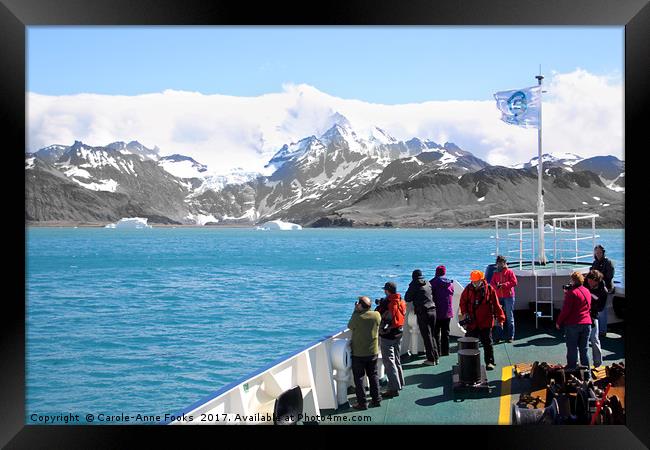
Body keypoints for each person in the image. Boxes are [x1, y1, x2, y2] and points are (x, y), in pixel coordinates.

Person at [459, 270, 505, 370]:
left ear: (482, 279)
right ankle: (468, 362)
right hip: (472, 322)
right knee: (469, 343)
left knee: (487, 343)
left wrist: (501, 319)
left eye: (476, 281)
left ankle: (489, 362)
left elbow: (496, 305)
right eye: (473, 281)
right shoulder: (468, 289)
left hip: (486, 322)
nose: (474, 283)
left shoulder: (490, 289)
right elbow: (463, 302)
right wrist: (465, 313)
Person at [348, 296, 382, 410]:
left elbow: (350, 326)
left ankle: (362, 403)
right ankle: (376, 399)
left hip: (359, 353)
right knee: (373, 375)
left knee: (359, 378)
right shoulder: (376, 315)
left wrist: (355, 310)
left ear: (360, 306)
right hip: (373, 352)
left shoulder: (357, 317)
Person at [375, 282, 406, 398]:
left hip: (388, 335)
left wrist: (379, 305)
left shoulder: (386, 302)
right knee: (396, 359)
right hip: (399, 332)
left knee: (389, 362)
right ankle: (400, 382)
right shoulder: (400, 300)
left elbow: (377, 313)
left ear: (387, 291)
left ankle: (394, 388)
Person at [556, 272, 592, 370]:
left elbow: (565, 310)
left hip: (573, 324)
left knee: (572, 349)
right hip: (587, 323)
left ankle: (572, 369)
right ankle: (587, 374)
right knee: (584, 350)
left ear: (573, 280)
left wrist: (559, 322)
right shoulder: (587, 291)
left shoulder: (571, 293)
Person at [405, 269, 439, 365]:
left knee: (427, 336)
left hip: (423, 312)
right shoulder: (427, 283)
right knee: (432, 335)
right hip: (433, 310)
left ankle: (431, 360)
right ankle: (436, 357)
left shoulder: (414, 285)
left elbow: (407, 298)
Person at [489, 255, 518, 343]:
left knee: (509, 317)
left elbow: (514, 282)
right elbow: (492, 284)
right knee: (498, 317)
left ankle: (510, 336)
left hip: (508, 297)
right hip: (499, 297)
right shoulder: (495, 273)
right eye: (498, 263)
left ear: (505, 263)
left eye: (501, 263)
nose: (500, 265)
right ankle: (498, 336)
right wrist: (496, 287)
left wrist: (503, 285)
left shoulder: (509, 272)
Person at [590, 245, 615, 338]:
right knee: (597, 309)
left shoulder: (608, 262)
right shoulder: (595, 262)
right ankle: (597, 329)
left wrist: (599, 281)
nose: (598, 254)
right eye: (596, 253)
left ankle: (603, 331)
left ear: (603, 252)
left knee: (602, 310)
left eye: (600, 252)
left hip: (605, 289)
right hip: (596, 289)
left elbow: (609, 276)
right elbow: (592, 274)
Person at [429, 265, 454, 357]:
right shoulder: (450, 283)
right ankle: (446, 351)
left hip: (436, 311)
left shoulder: (432, 283)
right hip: (448, 312)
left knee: (435, 333)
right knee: (446, 332)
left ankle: (437, 351)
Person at [585, 269, 607, 367]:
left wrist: (592, 297)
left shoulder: (603, 291)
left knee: (594, 339)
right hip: (582, 315)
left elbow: (601, 308)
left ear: (596, 280)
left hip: (593, 315)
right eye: (588, 280)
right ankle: (582, 364)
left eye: (591, 281)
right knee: (580, 340)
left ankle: (598, 364)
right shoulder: (585, 283)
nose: (589, 282)